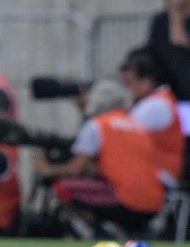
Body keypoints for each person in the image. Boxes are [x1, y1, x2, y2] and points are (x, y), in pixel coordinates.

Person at [35, 79, 167, 238]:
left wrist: (46, 169)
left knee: (63, 188)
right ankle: (129, 233)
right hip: (155, 202)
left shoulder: (98, 125)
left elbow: (76, 169)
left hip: (125, 200)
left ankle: (100, 233)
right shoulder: (139, 126)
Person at [120, 48, 185, 181]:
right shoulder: (158, 99)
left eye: (130, 83)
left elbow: (116, 133)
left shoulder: (155, 105)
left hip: (157, 175)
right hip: (154, 171)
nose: (128, 89)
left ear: (147, 81)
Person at [146, 0, 190, 103]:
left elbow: (180, 43)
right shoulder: (160, 21)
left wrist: (176, 13)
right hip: (168, 97)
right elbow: (152, 54)